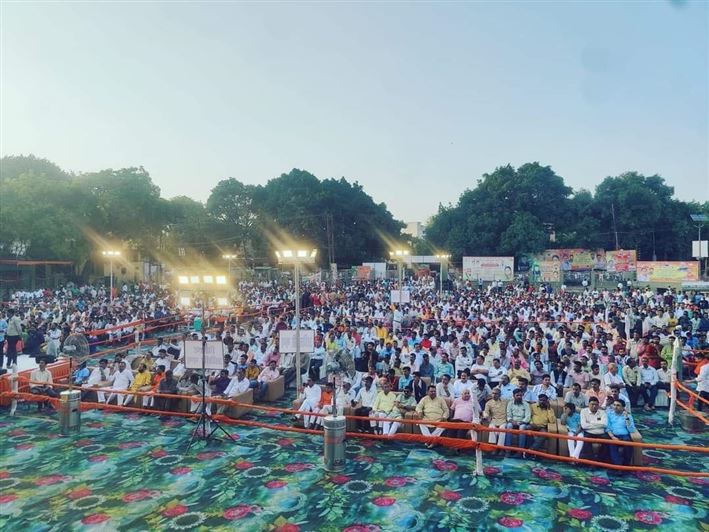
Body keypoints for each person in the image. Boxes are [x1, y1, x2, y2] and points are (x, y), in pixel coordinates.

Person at [606, 398, 637, 467]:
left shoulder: (628, 416)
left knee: (628, 443)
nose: (615, 407)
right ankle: (618, 467)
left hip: (624, 435)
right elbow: (607, 428)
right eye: (614, 405)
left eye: (618, 405)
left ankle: (626, 465)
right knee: (612, 446)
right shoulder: (609, 414)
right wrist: (613, 437)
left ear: (623, 407)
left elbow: (631, 430)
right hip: (613, 435)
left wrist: (626, 417)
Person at [504, 388, 531, 455]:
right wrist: (513, 421)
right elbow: (508, 415)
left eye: (520, 395)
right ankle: (508, 450)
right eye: (517, 395)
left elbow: (528, 416)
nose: (519, 397)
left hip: (522, 422)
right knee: (509, 426)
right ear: (513, 396)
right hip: (513, 421)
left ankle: (520, 451)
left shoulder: (526, 404)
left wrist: (522, 422)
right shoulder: (510, 403)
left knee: (522, 428)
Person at [482, 387, 507, 451]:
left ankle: (500, 448)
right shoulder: (488, 403)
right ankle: (492, 448)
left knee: (502, 429)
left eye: (496, 394)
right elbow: (486, 412)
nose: (494, 395)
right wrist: (485, 416)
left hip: (503, 420)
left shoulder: (505, 401)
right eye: (493, 393)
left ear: (500, 395)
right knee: (491, 427)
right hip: (494, 420)